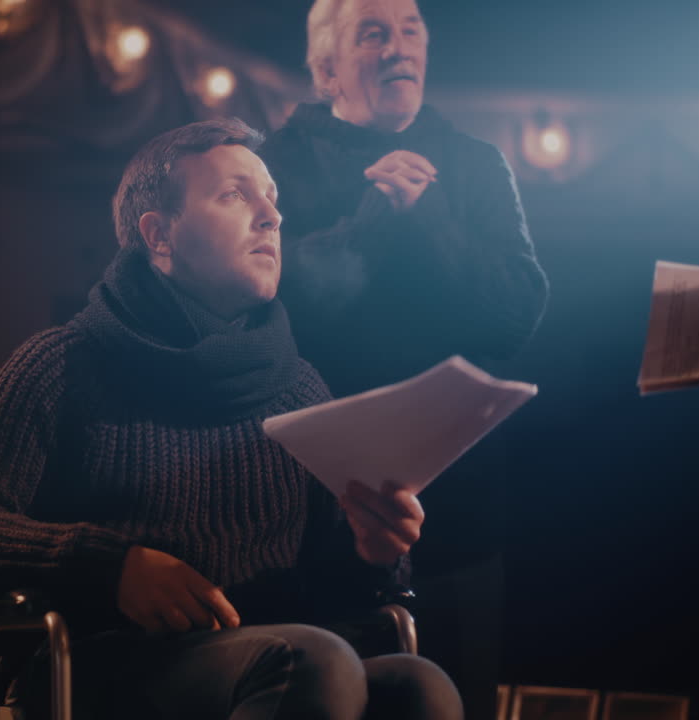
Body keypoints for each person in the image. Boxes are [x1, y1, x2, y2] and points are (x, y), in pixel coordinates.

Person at [0, 118, 462, 720]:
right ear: (159, 236)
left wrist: (374, 551)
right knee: (312, 660)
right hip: (94, 669)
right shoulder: (64, 364)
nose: (272, 216)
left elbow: (339, 600)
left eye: (272, 199)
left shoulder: (300, 388)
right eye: (234, 195)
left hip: (270, 658)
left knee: (417, 685)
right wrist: (109, 566)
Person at [257, 0, 549, 716]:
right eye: (374, 33)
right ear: (328, 68)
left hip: (459, 526)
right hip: (305, 526)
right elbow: (270, 307)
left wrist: (431, 218)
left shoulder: (477, 165)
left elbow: (515, 316)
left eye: (411, 30)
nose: (399, 48)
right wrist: (375, 222)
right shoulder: (272, 166)